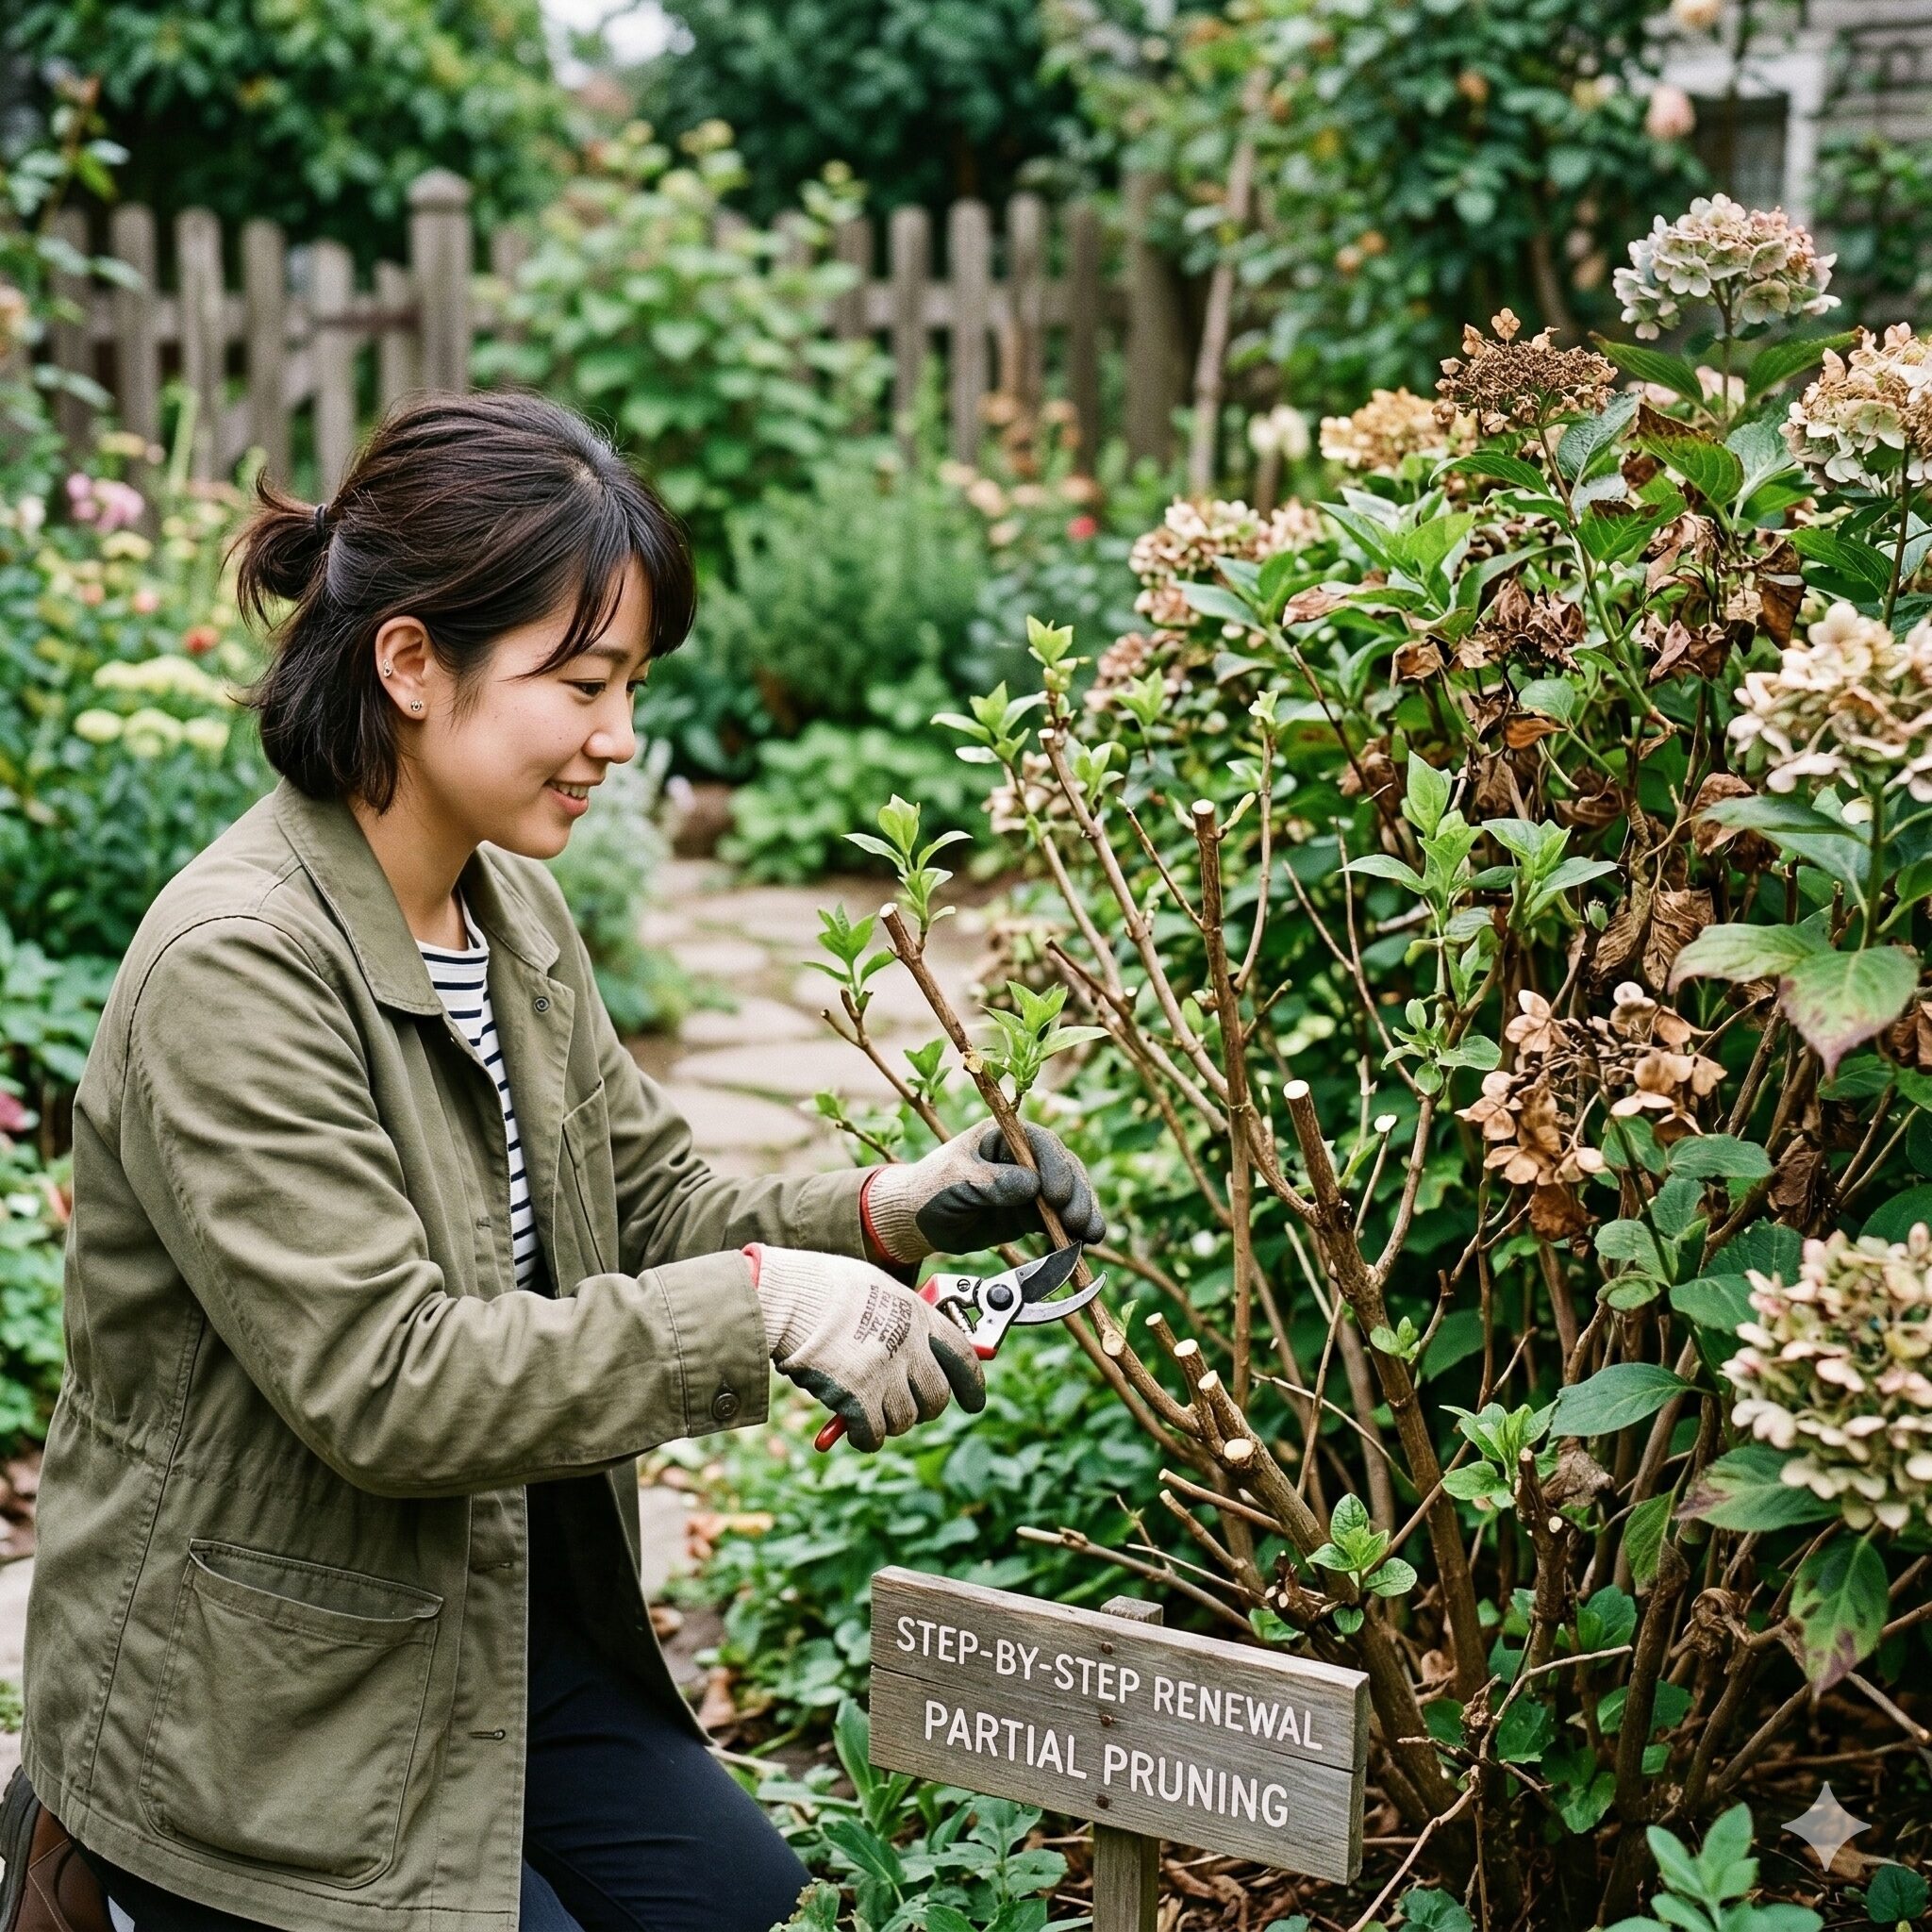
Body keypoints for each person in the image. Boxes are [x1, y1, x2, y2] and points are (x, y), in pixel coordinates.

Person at [0, 391, 1104, 1932]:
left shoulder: (507, 909)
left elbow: (649, 1207)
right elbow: (387, 1384)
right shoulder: (237, 965)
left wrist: (888, 1211)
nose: (620, 738)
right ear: (409, 664)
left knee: (759, 1910)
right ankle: (106, 1879)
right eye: (581, 683)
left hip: (490, 1630)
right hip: (260, 1708)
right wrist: (765, 1307)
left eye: (632, 684)